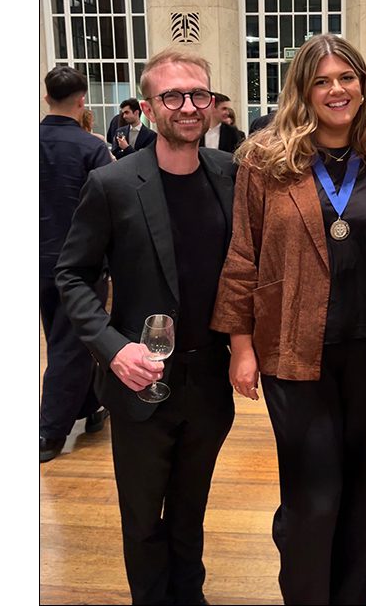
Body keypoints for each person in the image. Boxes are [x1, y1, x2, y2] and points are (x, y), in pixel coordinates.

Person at [211, 34, 366, 605]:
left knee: (363, 488)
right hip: (294, 352)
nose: (337, 90)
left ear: (363, 85)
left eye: (347, 78)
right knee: (314, 492)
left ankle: (354, 596)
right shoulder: (264, 161)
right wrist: (240, 346)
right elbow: (242, 255)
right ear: (303, 90)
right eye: (322, 80)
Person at [55, 49, 237, 605]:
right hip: (138, 382)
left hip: (209, 382)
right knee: (141, 518)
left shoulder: (231, 175)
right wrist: (112, 348)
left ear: (211, 103)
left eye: (198, 94)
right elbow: (73, 274)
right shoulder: (112, 184)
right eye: (172, 96)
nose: (188, 106)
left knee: (190, 510)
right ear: (150, 107)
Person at [39, 66, 113, 463]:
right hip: (79, 262)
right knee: (70, 344)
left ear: (46, 97)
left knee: (61, 338)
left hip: (39, 258)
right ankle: (50, 431)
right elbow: (109, 208)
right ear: (82, 100)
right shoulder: (91, 149)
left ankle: (91, 405)